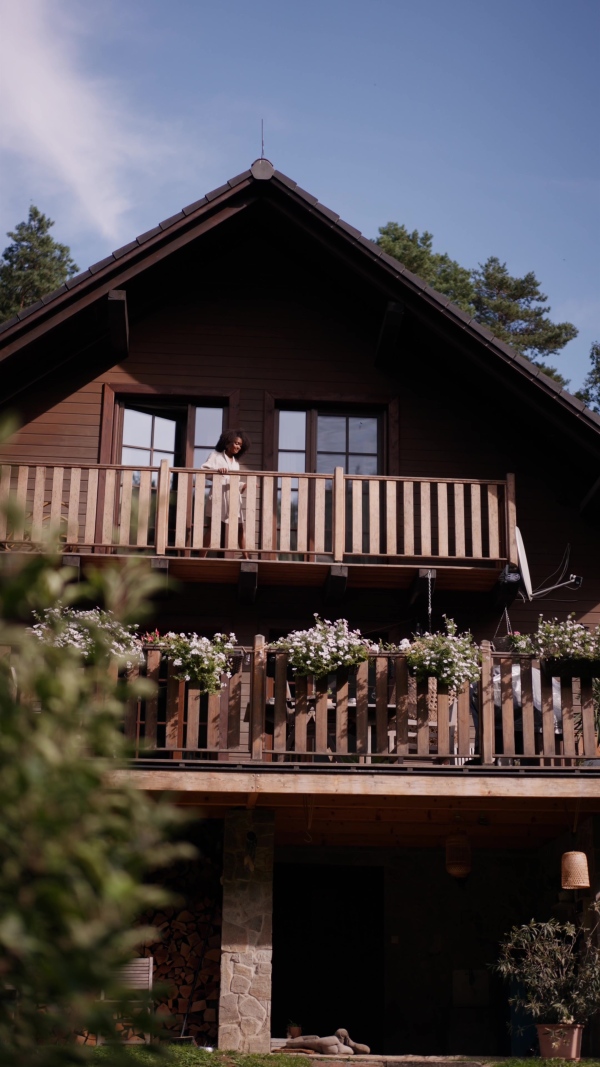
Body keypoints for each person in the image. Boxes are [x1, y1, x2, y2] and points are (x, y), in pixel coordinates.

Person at [200, 428, 251, 555]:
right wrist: (217, 471)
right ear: (228, 443)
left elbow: (233, 481)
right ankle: (202, 556)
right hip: (219, 497)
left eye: (240, 445)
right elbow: (203, 472)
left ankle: (246, 558)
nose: (238, 446)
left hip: (233, 499)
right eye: (236, 443)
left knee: (240, 528)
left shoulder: (235, 463)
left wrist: (243, 485)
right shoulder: (215, 456)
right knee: (213, 528)